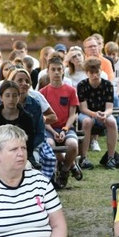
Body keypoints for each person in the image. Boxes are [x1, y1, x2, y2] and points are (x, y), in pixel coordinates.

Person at [39, 57, 83, 189]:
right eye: (53, 69)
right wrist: (53, 132)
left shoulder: (70, 91)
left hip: (66, 128)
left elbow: (72, 115)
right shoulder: (42, 92)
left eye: (59, 69)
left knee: (73, 145)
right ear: (48, 71)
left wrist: (64, 130)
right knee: (50, 145)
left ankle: (64, 171)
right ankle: (67, 168)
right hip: (49, 129)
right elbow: (43, 118)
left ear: (64, 71)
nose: (56, 72)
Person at [76, 58, 118, 170]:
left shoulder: (107, 85)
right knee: (86, 122)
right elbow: (83, 108)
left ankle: (111, 157)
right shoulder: (82, 85)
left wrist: (104, 114)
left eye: (97, 71)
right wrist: (95, 114)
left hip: (103, 112)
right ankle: (83, 158)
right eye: (92, 72)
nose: (95, 75)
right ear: (87, 73)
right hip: (88, 113)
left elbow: (110, 108)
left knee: (112, 121)